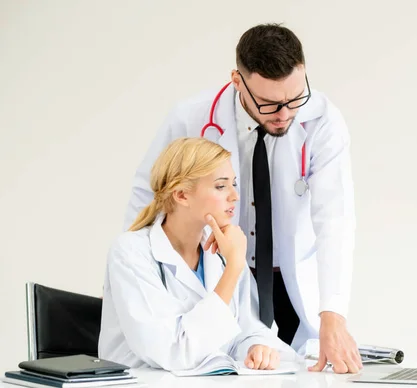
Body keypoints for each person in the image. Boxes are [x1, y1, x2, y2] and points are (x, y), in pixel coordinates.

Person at [124, 23, 362, 373]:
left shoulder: (323, 122)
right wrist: (136, 273)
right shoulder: (190, 117)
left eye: (295, 98)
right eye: (268, 103)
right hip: (217, 269)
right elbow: (148, 193)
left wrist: (333, 314)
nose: (284, 114)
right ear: (238, 82)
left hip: (293, 272)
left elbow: (335, 219)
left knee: (290, 368)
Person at [99, 137, 296, 371]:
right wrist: (233, 269)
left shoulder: (221, 253)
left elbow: (246, 329)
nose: (235, 196)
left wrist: (257, 347)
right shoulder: (132, 252)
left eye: (234, 184)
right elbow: (174, 352)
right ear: (182, 195)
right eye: (221, 186)